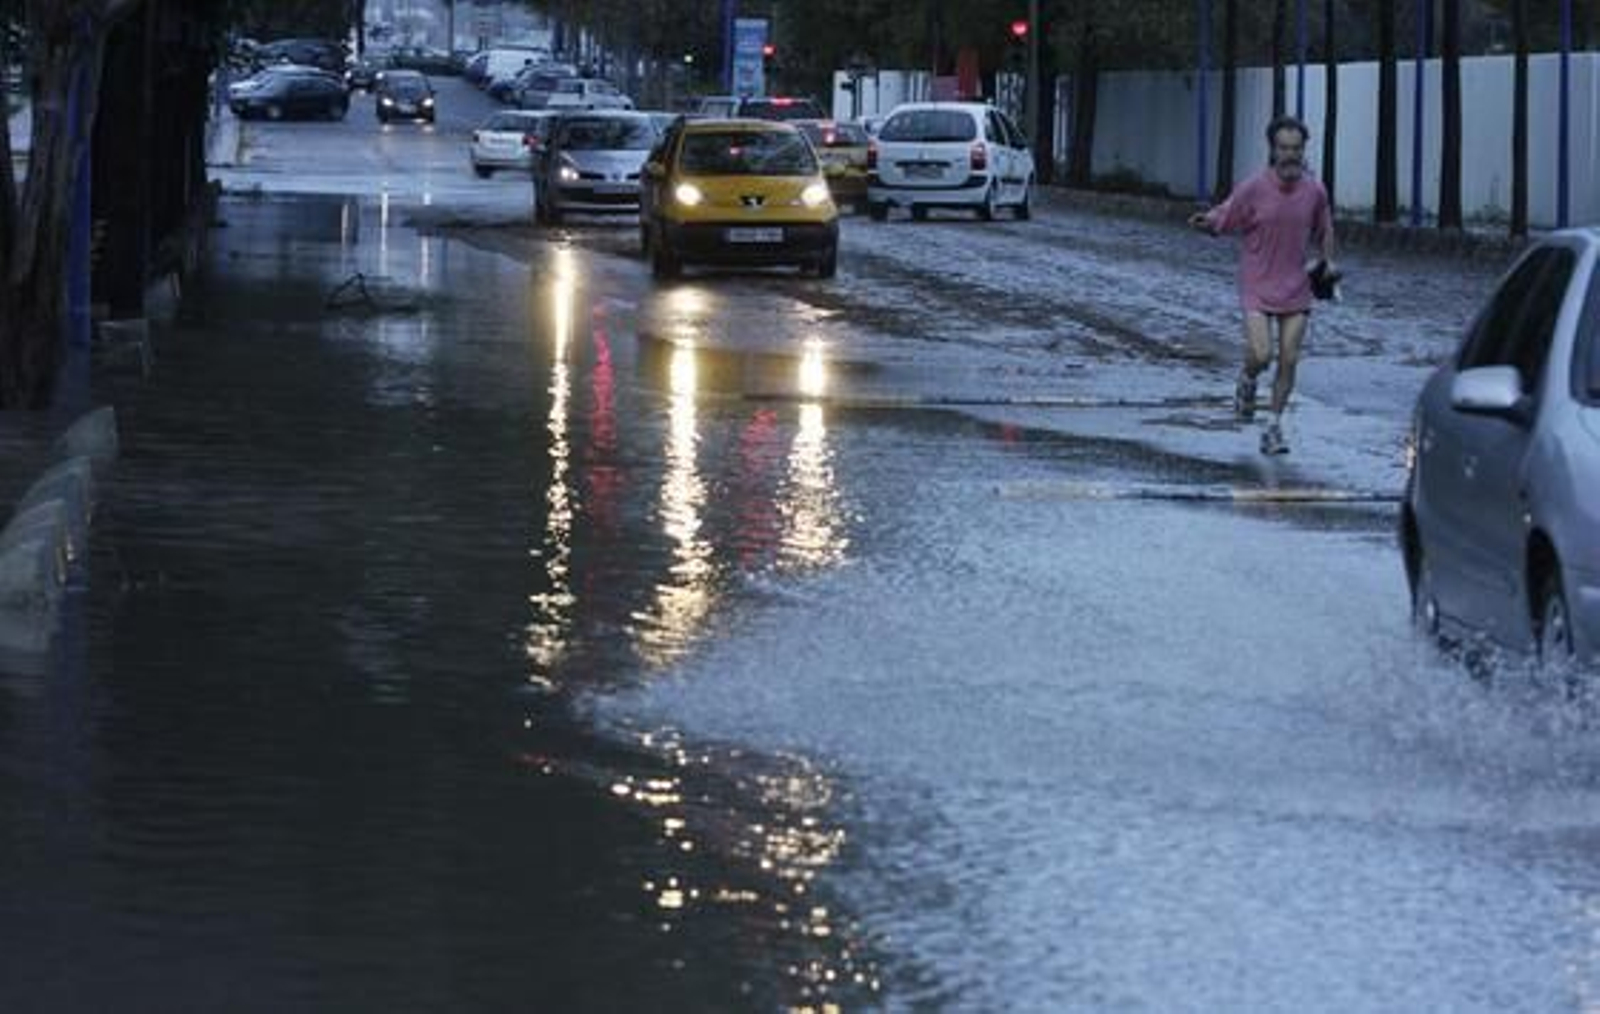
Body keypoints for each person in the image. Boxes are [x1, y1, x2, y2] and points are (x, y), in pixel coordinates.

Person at [1189, 115, 1337, 455]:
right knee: (1261, 354)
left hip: (1296, 286)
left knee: (1289, 358)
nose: (1290, 155)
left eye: (1296, 149)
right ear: (1273, 150)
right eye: (1284, 148)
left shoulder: (1315, 191)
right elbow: (1227, 213)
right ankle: (1247, 378)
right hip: (1257, 284)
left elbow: (1325, 229)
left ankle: (1273, 427)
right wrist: (1208, 221)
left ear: (1303, 150)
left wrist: (1328, 263)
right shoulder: (1254, 187)